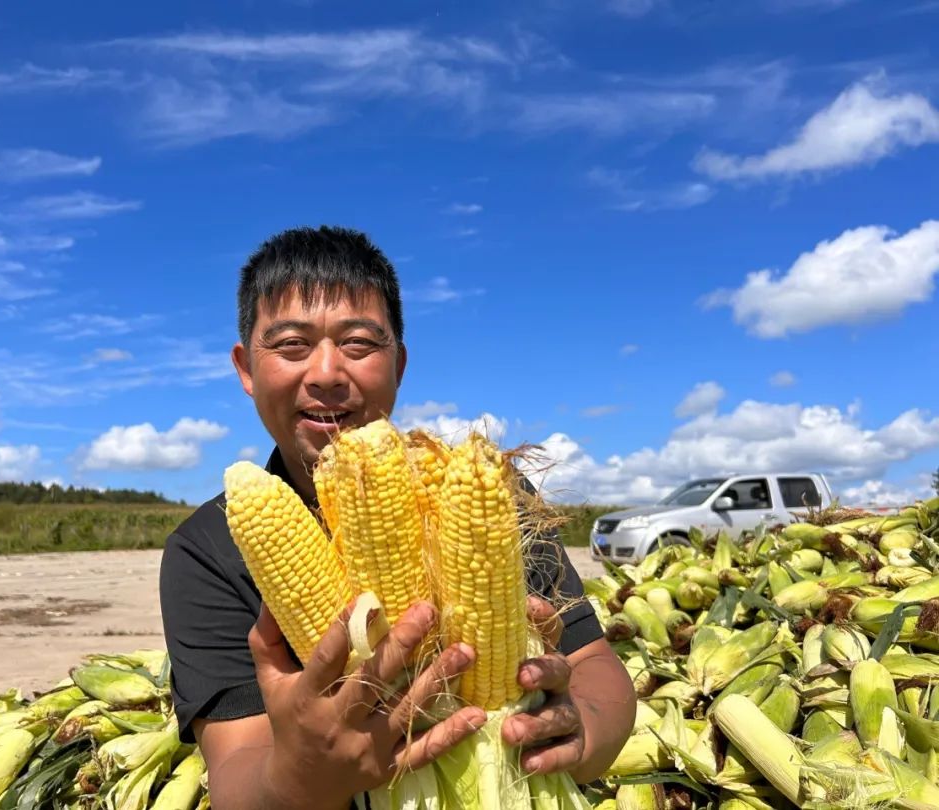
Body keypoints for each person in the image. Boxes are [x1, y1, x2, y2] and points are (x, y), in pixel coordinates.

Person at [159, 225, 637, 810]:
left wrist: (579, 726)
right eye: (290, 345)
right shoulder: (207, 550)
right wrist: (297, 776)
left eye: (359, 343)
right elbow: (235, 766)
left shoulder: (491, 492)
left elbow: (596, 666)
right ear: (246, 368)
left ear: (400, 363)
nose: (328, 372)